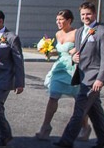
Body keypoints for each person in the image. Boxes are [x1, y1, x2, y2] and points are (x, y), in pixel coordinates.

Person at [55, 2, 104, 148]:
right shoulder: (80, 31)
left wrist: (101, 78)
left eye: (88, 14)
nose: (85, 17)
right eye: (83, 15)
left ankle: (66, 140)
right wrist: (74, 58)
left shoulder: (102, 32)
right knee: (94, 109)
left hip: (93, 77)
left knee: (80, 109)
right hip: (82, 74)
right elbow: (78, 51)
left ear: (94, 14)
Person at [36, 9, 91, 141]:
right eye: (57, 20)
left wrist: (76, 50)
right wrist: (49, 52)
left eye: (61, 20)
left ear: (69, 20)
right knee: (53, 95)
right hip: (60, 68)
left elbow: (85, 47)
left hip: (74, 68)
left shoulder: (77, 32)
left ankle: (85, 127)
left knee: (78, 99)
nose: (58, 22)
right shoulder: (58, 34)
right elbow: (61, 52)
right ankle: (45, 127)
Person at [0, 10, 25, 148]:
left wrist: (20, 83)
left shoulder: (12, 37)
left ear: (1, 21)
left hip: (6, 77)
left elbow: (19, 61)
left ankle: (5, 133)